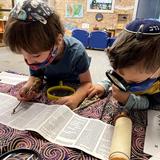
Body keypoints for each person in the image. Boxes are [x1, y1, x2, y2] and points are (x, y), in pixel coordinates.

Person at [4, 0, 92, 109]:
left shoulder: (77, 52)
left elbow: (87, 83)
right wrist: (29, 87)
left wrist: (76, 98)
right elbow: (35, 75)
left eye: (36, 56)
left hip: (74, 88)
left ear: (58, 40)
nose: (29, 62)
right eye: (24, 55)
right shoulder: (34, 54)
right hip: (50, 88)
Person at [88, 19, 160, 110]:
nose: (123, 82)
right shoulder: (131, 73)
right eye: (118, 75)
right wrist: (103, 85)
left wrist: (127, 100)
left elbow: (151, 103)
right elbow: (117, 76)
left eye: (133, 82)